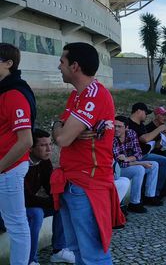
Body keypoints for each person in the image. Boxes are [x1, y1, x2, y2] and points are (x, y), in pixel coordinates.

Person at [51, 42, 125, 264]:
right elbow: (60, 129)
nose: (58, 66)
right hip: (72, 181)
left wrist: (62, 129)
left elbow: (62, 138)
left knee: (93, 254)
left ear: (75, 66)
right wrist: (59, 124)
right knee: (78, 252)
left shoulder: (94, 95)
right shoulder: (76, 96)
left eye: (62, 62)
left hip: (87, 184)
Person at [0, 43, 35, 264]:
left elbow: (26, 141)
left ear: (8, 63)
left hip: (8, 169)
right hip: (5, 168)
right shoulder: (4, 91)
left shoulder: (14, 94)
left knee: (16, 224)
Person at [25, 129, 76, 264]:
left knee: (62, 204)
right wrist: (53, 201)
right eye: (43, 145)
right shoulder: (21, 164)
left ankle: (59, 250)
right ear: (30, 148)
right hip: (9, 209)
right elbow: (26, 198)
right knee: (36, 213)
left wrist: (59, 199)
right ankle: (30, 260)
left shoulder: (44, 161)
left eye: (50, 144)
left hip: (27, 204)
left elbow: (50, 188)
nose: (49, 149)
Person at [113, 116, 160, 214]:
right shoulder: (111, 138)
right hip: (117, 170)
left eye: (119, 126)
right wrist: (140, 163)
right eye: (114, 126)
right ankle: (134, 203)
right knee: (139, 169)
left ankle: (149, 196)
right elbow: (120, 163)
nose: (116, 129)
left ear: (126, 128)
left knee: (154, 165)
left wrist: (127, 159)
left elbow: (138, 153)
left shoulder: (131, 133)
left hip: (129, 164)